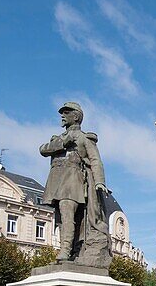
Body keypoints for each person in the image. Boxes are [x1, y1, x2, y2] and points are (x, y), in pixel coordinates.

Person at [38, 102, 112, 268]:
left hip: (73, 179)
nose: (62, 116)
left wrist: (99, 182)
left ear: (76, 117)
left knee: (67, 211)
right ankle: (68, 251)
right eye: (62, 113)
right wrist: (63, 142)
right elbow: (43, 150)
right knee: (60, 218)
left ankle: (65, 250)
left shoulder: (85, 138)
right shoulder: (58, 139)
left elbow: (95, 161)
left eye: (66, 113)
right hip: (56, 179)